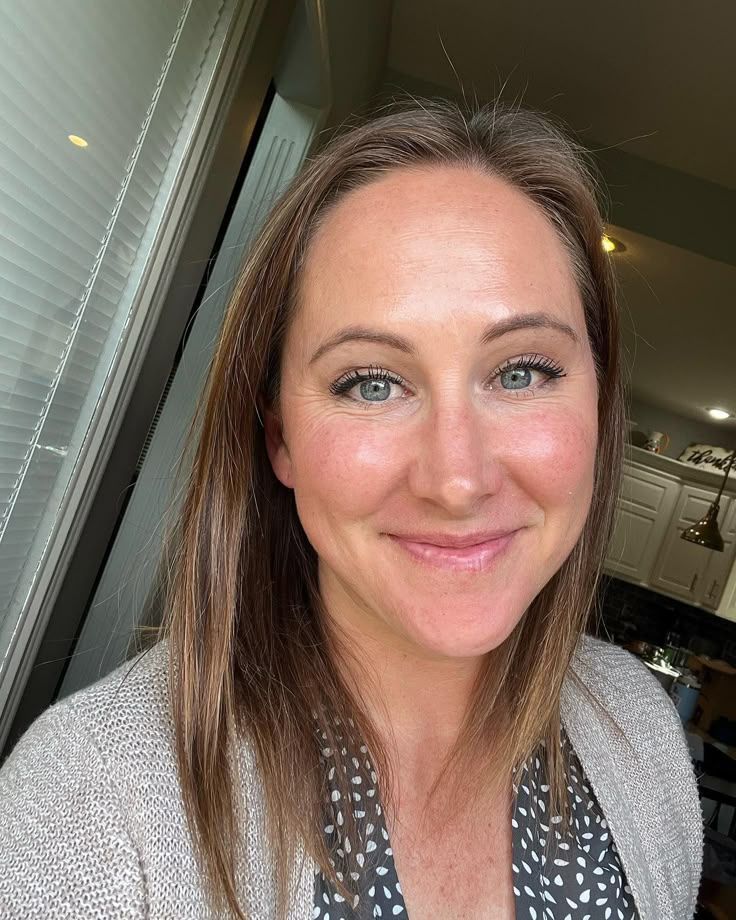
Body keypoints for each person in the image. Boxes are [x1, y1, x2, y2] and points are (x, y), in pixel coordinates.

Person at [0, 98, 702, 919]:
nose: (457, 479)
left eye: (522, 373)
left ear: (599, 405)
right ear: (280, 440)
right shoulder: (88, 807)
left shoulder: (636, 727)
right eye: (371, 384)